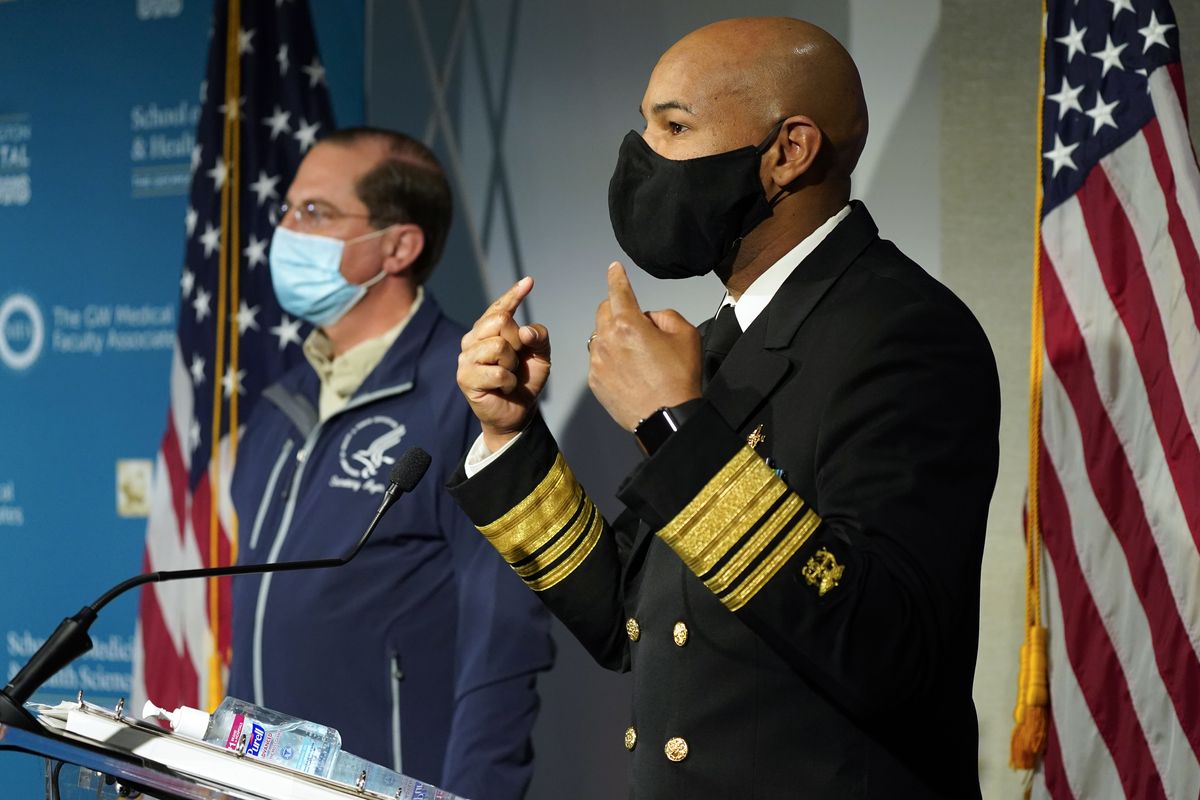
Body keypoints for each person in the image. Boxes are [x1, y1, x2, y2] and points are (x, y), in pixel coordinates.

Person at [449, 17, 999, 799]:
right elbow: (620, 619)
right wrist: (511, 433)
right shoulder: (721, 340)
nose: (640, 156)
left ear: (788, 151)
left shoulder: (906, 331)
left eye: (673, 126)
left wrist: (674, 427)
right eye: (644, 123)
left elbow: (887, 649)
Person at [227, 127, 553, 800]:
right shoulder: (274, 408)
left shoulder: (469, 397)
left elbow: (504, 633)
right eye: (287, 210)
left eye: (314, 213)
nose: (284, 231)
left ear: (399, 245)